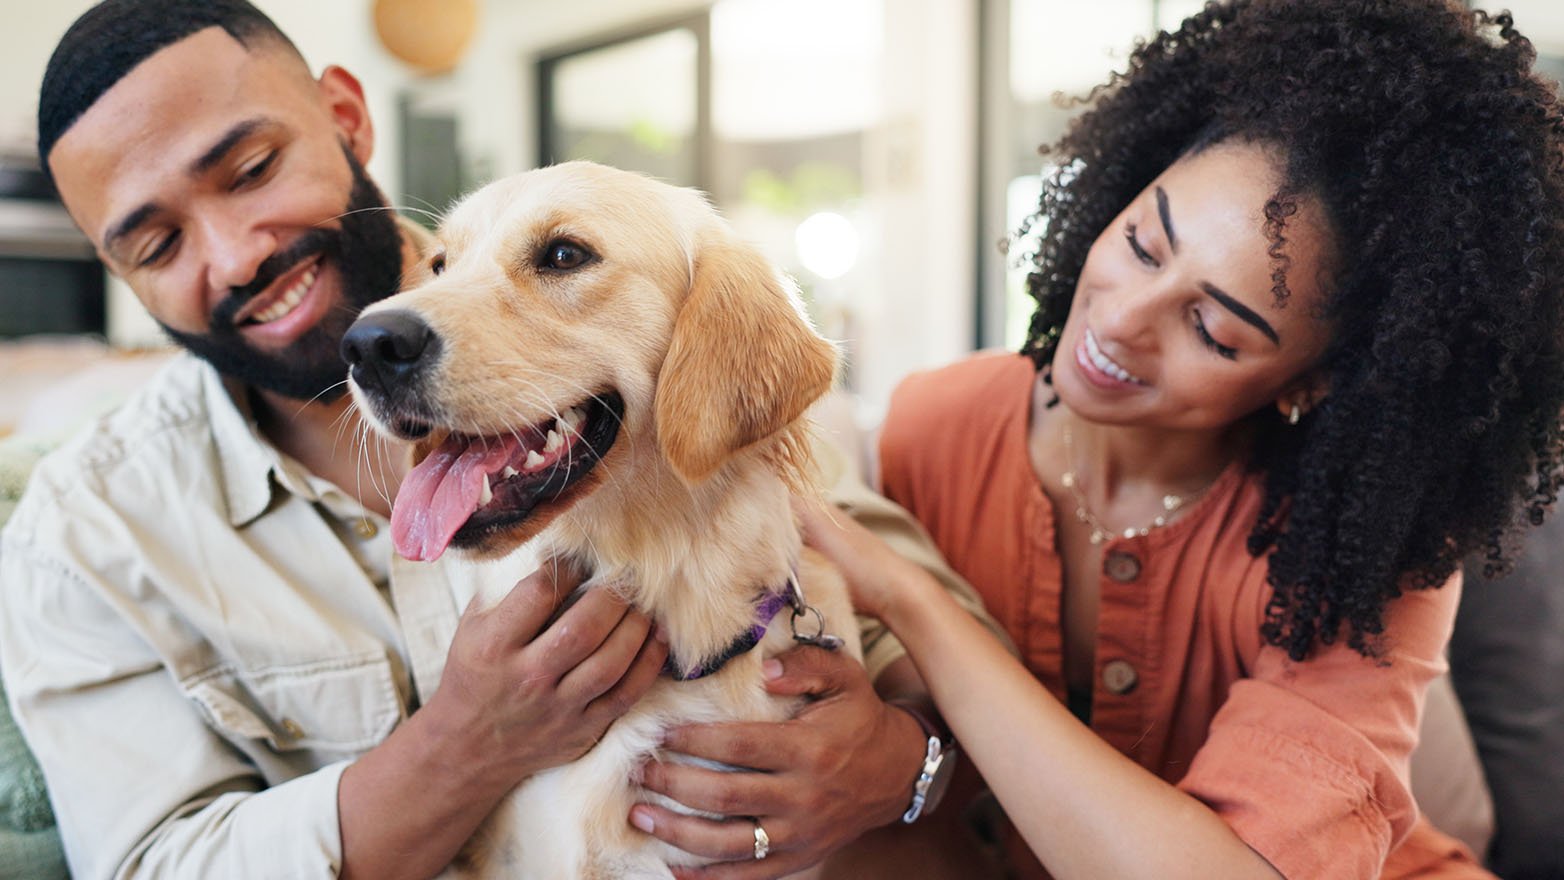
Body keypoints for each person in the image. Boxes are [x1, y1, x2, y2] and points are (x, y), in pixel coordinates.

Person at [0, 1, 998, 877]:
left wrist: (899, 763)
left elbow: (931, 642)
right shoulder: (82, 534)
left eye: (252, 169)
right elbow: (154, 865)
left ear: (346, 118)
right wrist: (462, 746)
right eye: (156, 244)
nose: (233, 254)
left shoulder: (670, 365)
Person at [785, 1, 1564, 878]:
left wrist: (916, 600)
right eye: (1146, 244)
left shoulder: (1367, 549)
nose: (1119, 322)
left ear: (1311, 383)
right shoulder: (941, 424)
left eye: (1215, 330)